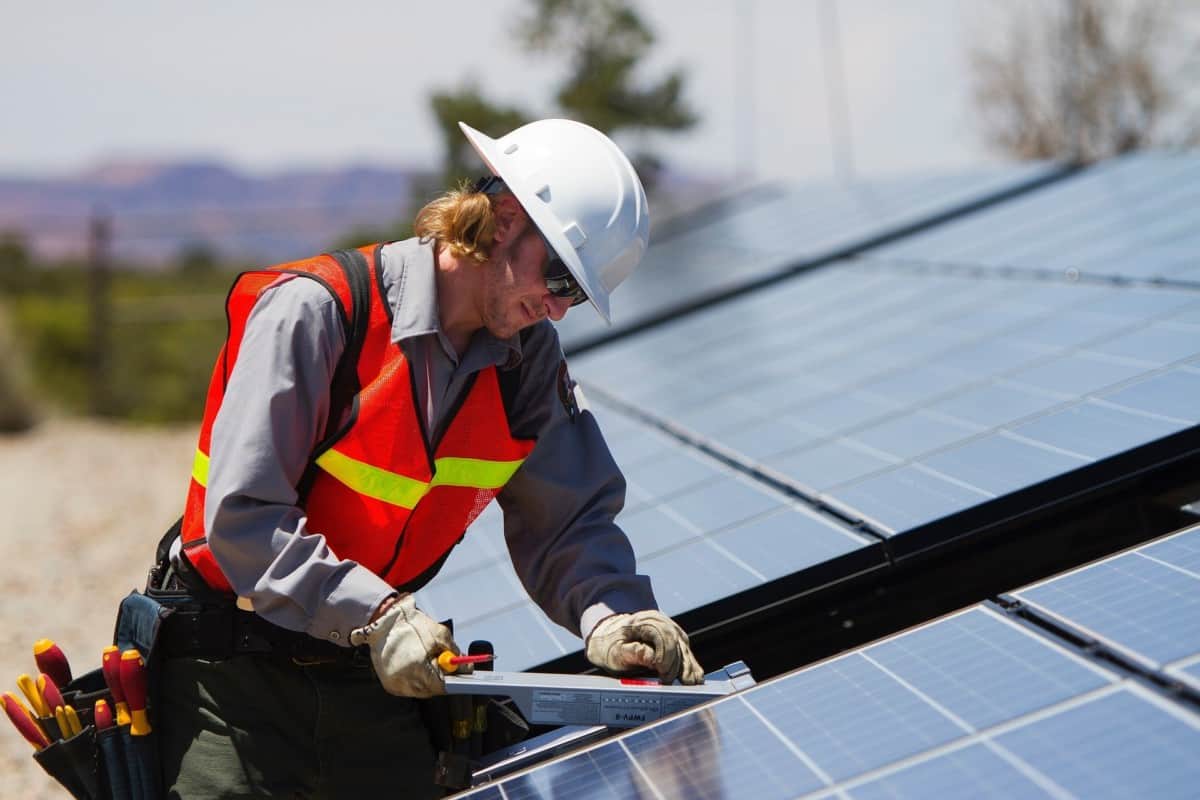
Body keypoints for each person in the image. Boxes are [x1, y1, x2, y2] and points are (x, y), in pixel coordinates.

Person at [149, 118, 703, 798]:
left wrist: (616, 614)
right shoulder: (319, 313)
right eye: (557, 275)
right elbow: (243, 520)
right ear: (501, 220)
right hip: (231, 670)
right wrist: (378, 615)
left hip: (363, 666)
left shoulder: (524, 361)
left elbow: (567, 521)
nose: (557, 310)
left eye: (576, 295)